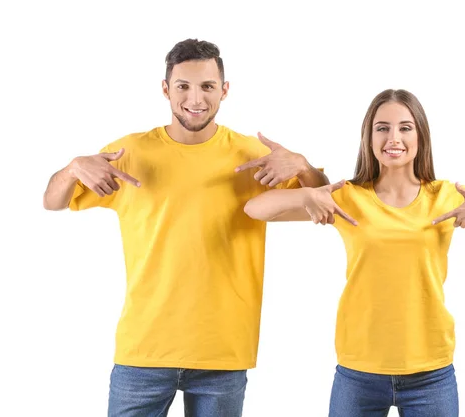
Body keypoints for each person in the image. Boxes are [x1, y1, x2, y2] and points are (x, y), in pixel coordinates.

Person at [42, 38, 328, 417]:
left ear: (224, 91)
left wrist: (303, 166)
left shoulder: (253, 157)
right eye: (183, 86)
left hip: (222, 352)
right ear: (165, 89)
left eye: (208, 86)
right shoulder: (130, 153)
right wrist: (73, 167)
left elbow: (325, 200)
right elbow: (53, 200)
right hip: (143, 349)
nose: (196, 98)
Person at [243, 89, 465, 417]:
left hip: (430, 373)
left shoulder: (446, 196)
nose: (394, 137)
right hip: (358, 370)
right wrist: (305, 195)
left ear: (420, 136)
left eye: (405, 127)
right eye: (382, 127)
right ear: (369, 137)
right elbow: (255, 208)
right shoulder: (347, 196)